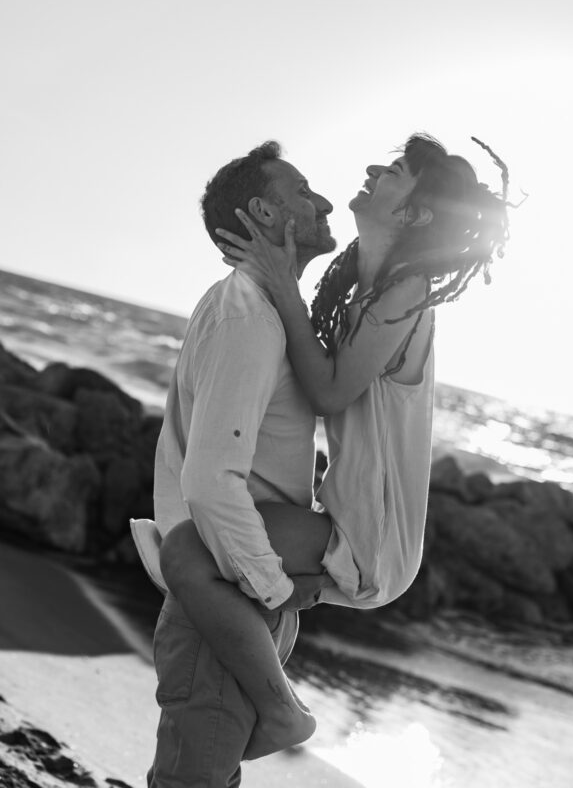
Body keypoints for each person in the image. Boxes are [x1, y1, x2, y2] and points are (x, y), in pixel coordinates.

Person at [150, 132, 511, 767]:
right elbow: (312, 384)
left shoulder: (405, 292)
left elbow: (327, 390)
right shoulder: (352, 285)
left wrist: (282, 288)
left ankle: (285, 711)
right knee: (192, 562)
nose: (373, 167)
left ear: (416, 213)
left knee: (185, 551)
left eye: (395, 170)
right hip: (340, 516)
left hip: (374, 533)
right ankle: (277, 705)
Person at [132, 140, 338, 788]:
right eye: (303, 191)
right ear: (265, 214)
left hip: (239, 587)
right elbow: (210, 482)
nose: (324, 201)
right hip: (228, 592)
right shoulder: (247, 313)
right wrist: (274, 589)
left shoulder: (271, 311)